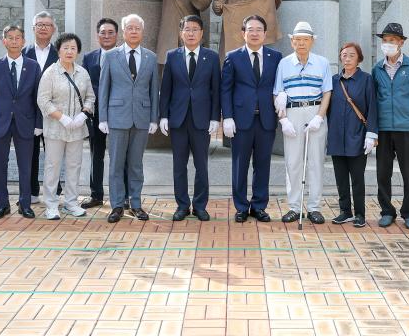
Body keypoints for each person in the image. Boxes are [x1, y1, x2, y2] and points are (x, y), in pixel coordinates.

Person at [97, 14, 159, 223]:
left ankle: (136, 204)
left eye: (137, 28)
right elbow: (104, 88)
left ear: (142, 32)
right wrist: (103, 117)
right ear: (123, 32)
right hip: (116, 117)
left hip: (141, 118)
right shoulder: (111, 56)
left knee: (136, 164)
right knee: (115, 164)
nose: (133, 31)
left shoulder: (150, 57)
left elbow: (153, 91)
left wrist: (153, 119)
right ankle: (116, 205)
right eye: (129, 28)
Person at [159, 15, 220, 222]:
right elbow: (165, 89)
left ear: (202, 33)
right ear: (181, 32)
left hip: (202, 120)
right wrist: (163, 116)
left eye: (195, 29)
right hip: (178, 119)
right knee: (179, 165)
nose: (191, 33)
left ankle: (200, 206)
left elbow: (216, 90)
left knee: (201, 165)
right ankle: (182, 205)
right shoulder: (172, 56)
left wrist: (215, 118)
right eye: (187, 29)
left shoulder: (211, 57)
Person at [221, 14, 282, 223]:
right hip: (240, 121)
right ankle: (240, 206)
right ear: (243, 33)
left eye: (259, 30)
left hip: (266, 120)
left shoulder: (276, 57)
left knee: (263, 164)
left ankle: (259, 206)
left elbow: (279, 85)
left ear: (265, 34)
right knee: (240, 165)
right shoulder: (233, 56)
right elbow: (225, 89)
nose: (254, 33)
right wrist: (227, 117)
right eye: (250, 29)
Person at [273, 21, 333, 224]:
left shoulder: (322, 63)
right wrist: (283, 120)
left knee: (316, 162)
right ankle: (294, 207)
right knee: (293, 162)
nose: (301, 43)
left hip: (315, 111)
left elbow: (327, 92)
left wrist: (319, 116)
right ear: (292, 42)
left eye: (305, 40)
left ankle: (314, 207)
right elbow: (277, 93)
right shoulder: (284, 63)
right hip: (292, 113)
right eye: (297, 40)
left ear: (312, 42)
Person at [0, 24, 44, 219]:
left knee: (26, 165)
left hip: (25, 122)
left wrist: (38, 124)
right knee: (0, 165)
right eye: (10, 37)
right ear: (4, 41)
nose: (14, 41)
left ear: (24, 41)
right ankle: (2, 204)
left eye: (18, 37)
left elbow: (38, 97)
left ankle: (25, 204)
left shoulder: (33, 66)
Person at [371, 22, 409, 229]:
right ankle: (386, 211)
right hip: (384, 128)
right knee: (382, 172)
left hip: (408, 129)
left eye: (392, 40)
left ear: (401, 42)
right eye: (385, 41)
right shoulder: (377, 69)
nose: (388, 44)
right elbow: (374, 99)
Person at [37, 32, 95, 220]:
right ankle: (51, 204)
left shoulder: (82, 72)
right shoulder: (50, 73)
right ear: (58, 50)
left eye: (73, 48)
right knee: (52, 166)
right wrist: (62, 118)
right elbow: (43, 100)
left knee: (74, 165)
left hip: (77, 129)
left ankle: (71, 202)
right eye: (66, 48)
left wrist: (83, 114)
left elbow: (90, 97)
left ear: (78, 51)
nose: (70, 51)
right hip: (55, 128)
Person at [328, 43, 378, 228]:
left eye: (351, 55)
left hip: (357, 136)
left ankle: (359, 213)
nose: (347, 58)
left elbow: (372, 107)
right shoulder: (333, 80)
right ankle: (345, 211)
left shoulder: (366, 80)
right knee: (340, 177)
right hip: (336, 137)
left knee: (357, 178)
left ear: (359, 58)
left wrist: (371, 134)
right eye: (344, 55)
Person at [80, 17, 121, 209]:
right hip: (95, 114)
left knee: (120, 155)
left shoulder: (123, 55)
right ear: (97, 36)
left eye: (110, 32)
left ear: (117, 35)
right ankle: (96, 194)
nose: (106, 36)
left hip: (119, 113)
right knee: (96, 154)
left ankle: (123, 196)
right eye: (103, 32)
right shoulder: (89, 57)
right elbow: (84, 85)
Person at [23, 10, 59, 205]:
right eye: (40, 24)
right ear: (33, 28)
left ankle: (54, 191)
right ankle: (31, 191)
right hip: (28, 112)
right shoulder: (23, 52)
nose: (43, 27)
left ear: (53, 29)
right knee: (30, 153)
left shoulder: (60, 54)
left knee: (53, 154)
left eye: (47, 24)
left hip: (54, 112)